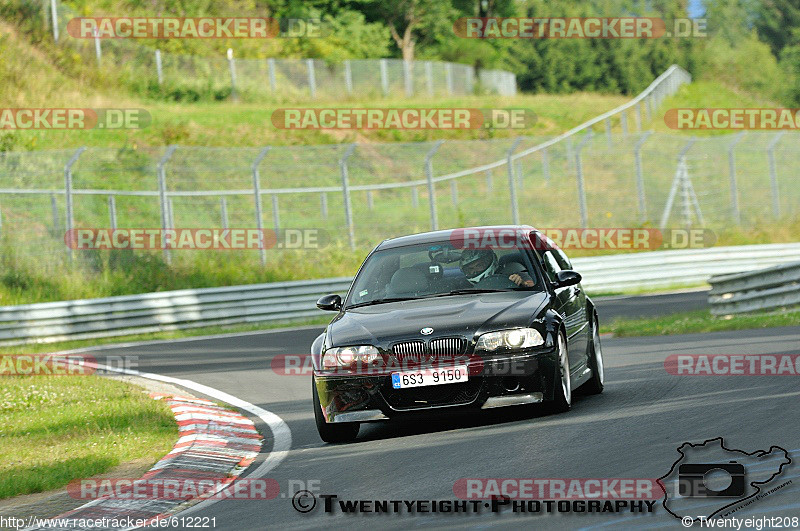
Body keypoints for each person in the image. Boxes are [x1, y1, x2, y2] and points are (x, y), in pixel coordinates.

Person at [459, 249, 534, 287]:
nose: (474, 271)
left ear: (491, 260)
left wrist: (522, 283)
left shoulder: (513, 271)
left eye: (478, 265)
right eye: (469, 269)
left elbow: (534, 288)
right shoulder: (462, 286)